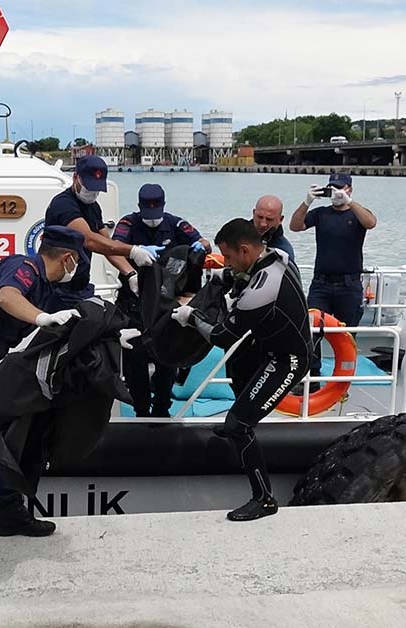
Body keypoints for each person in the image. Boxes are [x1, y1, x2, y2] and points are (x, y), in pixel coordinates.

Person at [0, 225, 139, 578]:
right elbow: (7, 297)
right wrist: (40, 318)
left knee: (9, 436)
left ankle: (9, 513)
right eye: (76, 263)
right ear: (69, 258)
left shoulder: (49, 290)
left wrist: (115, 335)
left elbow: (84, 315)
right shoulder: (23, 267)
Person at [171, 218, 311, 522]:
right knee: (237, 365)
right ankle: (244, 415)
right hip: (267, 346)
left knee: (237, 426)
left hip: (288, 360)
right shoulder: (274, 256)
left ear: (245, 250)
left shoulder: (261, 291)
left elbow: (222, 337)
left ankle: (263, 499)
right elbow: (240, 276)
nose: (228, 263)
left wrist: (191, 316)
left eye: (230, 257)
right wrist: (224, 275)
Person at [112, 183, 211, 417]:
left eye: (156, 213)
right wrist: (132, 264)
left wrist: (202, 247)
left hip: (164, 303)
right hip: (134, 300)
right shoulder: (128, 223)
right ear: (139, 207)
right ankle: (140, 409)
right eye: (147, 212)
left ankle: (162, 408)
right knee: (135, 357)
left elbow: (204, 242)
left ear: (164, 207)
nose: (152, 218)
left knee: (168, 355)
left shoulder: (175, 224)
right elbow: (114, 248)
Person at [289, 172, 377, 383]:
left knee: (347, 335)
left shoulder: (358, 214)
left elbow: (371, 222)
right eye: (332, 188)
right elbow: (295, 226)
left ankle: (342, 380)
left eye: (340, 188)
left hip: (349, 284)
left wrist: (350, 203)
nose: (335, 192)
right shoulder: (321, 214)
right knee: (311, 331)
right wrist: (307, 201)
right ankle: (312, 377)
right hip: (321, 283)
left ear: (349, 189)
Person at [44, 155, 163, 310]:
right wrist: (133, 251)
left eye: (97, 189)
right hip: (57, 287)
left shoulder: (93, 207)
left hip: (81, 286)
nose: (93, 193)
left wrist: (131, 273)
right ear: (75, 178)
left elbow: (107, 245)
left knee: (110, 320)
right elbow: (88, 239)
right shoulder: (63, 204)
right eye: (89, 187)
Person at [252, 194, 294, 262]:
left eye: (269, 219)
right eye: (260, 217)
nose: (263, 224)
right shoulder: (236, 235)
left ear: (280, 219)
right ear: (254, 213)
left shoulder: (283, 251)